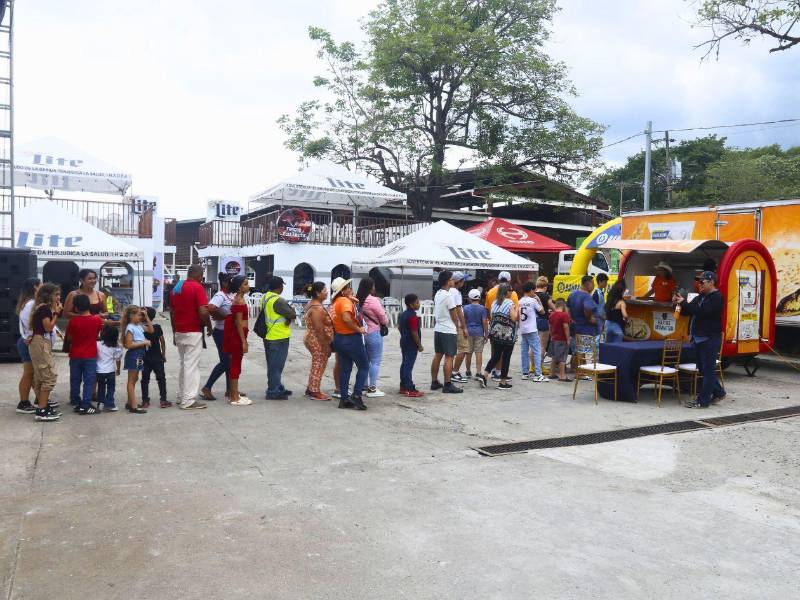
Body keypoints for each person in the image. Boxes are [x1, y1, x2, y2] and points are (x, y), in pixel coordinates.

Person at [675, 271, 726, 409]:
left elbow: (703, 312)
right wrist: (680, 303)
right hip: (698, 338)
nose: (700, 284)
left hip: (709, 338)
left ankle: (703, 401)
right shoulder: (701, 296)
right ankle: (719, 392)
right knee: (703, 369)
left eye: (702, 282)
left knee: (708, 371)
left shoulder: (716, 298)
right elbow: (688, 311)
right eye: (699, 282)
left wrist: (685, 303)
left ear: (711, 282)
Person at [169, 264, 211, 410]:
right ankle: (188, 400)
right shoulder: (197, 287)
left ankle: (181, 396)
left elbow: (172, 312)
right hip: (193, 330)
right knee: (192, 366)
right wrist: (208, 326)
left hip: (179, 330)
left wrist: (174, 332)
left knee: (184, 364)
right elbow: (203, 312)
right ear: (199, 275)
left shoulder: (177, 288)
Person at [330, 277, 368, 410]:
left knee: (345, 369)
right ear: (343, 291)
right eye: (348, 287)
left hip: (339, 338)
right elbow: (346, 318)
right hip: (351, 338)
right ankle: (357, 395)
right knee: (364, 366)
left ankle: (344, 398)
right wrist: (359, 329)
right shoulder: (345, 301)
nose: (351, 289)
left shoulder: (334, 303)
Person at [64, 294, 104, 415]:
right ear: (89, 306)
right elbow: (98, 333)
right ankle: (86, 403)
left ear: (75, 308)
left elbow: (70, 338)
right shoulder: (97, 320)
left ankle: (75, 400)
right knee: (89, 380)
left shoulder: (73, 321)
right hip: (90, 354)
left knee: (75, 378)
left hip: (75, 354)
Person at [258, 276, 296, 400]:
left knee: (273, 365)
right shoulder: (278, 301)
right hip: (279, 336)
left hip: (269, 335)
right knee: (276, 366)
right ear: (279, 287)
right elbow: (292, 314)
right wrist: (290, 315)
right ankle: (273, 391)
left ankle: (277, 386)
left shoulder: (265, 297)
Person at [28, 283, 62, 422]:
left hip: (39, 342)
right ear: (48, 296)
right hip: (41, 342)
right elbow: (48, 327)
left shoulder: (39, 308)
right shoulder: (45, 309)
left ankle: (43, 406)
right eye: (56, 294)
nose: (59, 297)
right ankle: (42, 410)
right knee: (48, 375)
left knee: (41, 376)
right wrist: (56, 313)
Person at [477, 284, 519, 390]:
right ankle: (503, 382)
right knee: (506, 358)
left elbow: (492, 316)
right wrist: (517, 309)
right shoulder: (509, 303)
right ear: (506, 292)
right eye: (511, 290)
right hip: (507, 335)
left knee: (495, 356)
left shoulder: (494, 303)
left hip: (495, 334)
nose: (512, 292)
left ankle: (485, 375)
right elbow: (514, 318)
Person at [201, 272, 234, 401]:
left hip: (229, 332)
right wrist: (225, 316)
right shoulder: (220, 295)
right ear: (225, 283)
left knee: (229, 362)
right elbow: (210, 307)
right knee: (226, 362)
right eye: (231, 281)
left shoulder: (231, 295)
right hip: (222, 332)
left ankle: (230, 389)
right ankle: (207, 387)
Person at [430, 270, 463, 394]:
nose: (453, 281)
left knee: (438, 354)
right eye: (451, 279)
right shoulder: (449, 296)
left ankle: (434, 381)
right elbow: (454, 315)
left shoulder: (438, 293)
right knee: (449, 356)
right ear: (447, 281)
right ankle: (447, 384)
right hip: (448, 329)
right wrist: (458, 325)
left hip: (438, 328)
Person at [357, 277, 390, 398]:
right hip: (374, 332)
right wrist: (385, 321)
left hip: (362, 333)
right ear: (370, 287)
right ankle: (372, 387)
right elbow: (383, 317)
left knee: (365, 361)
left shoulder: (358, 300)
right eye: (374, 286)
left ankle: (363, 385)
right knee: (375, 361)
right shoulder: (373, 300)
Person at [223, 275, 252, 406]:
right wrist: (243, 341)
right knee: (235, 365)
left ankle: (234, 394)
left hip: (238, 334)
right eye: (245, 284)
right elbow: (238, 323)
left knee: (235, 364)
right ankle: (234, 397)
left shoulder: (239, 298)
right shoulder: (239, 301)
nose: (248, 286)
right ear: (240, 287)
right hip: (237, 335)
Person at [303, 281, 334, 401]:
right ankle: (314, 391)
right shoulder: (317, 308)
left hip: (312, 337)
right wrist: (326, 345)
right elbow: (319, 329)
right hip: (316, 339)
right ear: (317, 293)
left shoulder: (313, 304)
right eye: (325, 291)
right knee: (319, 363)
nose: (327, 293)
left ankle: (311, 387)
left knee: (318, 362)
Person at [15, 277, 41, 414]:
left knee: (32, 374)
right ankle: (23, 402)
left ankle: (39, 397)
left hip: (27, 341)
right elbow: (30, 324)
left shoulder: (29, 303)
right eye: (40, 285)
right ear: (35, 287)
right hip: (28, 342)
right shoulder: (31, 304)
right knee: (29, 373)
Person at [122, 305, 154, 414]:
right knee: (132, 380)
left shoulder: (138, 325)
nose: (141, 317)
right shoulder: (130, 327)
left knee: (134, 379)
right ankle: (134, 406)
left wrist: (147, 317)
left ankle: (129, 402)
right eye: (139, 315)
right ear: (131, 316)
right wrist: (144, 342)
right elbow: (129, 344)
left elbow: (151, 329)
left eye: (141, 315)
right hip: (134, 354)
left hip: (140, 354)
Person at [141, 307, 170, 409]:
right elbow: (162, 341)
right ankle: (163, 400)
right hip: (157, 357)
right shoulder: (157, 327)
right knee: (161, 378)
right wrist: (163, 354)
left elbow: (161, 340)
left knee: (145, 380)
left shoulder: (140, 327)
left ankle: (145, 401)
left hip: (145, 358)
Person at [519, 282, 547, 382]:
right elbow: (542, 311)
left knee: (524, 351)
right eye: (534, 291)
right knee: (536, 350)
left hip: (523, 329)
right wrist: (538, 300)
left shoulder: (520, 301)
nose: (534, 292)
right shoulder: (533, 301)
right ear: (531, 290)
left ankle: (525, 373)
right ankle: (538, 374)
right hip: (532, 328)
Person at [398, 293, 424, 397]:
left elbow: (399, 327)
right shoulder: (413, 316)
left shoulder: (403, 314)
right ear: (411, 305)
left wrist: (404, 335)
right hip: (411, 344)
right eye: (417, 302)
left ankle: (403, 386)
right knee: (408, 366)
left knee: (404, 364)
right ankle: (410, 388)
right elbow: (414, 332)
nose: (419, 304)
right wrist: (419, 345)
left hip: (404, 341)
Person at [459, 288, 488, 381]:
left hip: (468, 332)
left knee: (468, 352)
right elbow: (484, 322)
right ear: (479, 298)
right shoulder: (482, 308)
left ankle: (468, 371)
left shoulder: (465, 308)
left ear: (469, 298)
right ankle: (478, 372)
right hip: (479, 332)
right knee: (479, 352)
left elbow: (463, 320)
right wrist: (486, 333)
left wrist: (464, 329)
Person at [96, 325, 124, 411]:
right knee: (111, 388)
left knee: (101, 386)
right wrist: (118, 369)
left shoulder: (97, 344)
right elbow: (118, 359)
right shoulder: (117, 346)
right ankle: (110, 404)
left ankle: (100, 403)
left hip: (99, 371)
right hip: (110, 371)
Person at [449, 272, 470, 382]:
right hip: (457, 324)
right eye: (463, 280)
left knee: (453, 350)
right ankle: (455, 372)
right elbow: (458, 310)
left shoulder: (448, 291)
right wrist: (464, 326)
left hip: (450, 324)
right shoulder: (456, 293)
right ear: (460, 282)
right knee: (464, 348)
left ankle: (452, 371)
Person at [534, 276, 556, 375]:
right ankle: (539, 366)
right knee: (542, 346)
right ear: (546, 286)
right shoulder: (545, 296)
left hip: (533, 321)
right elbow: (554, 308)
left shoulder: (532, 295)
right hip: (543, 321)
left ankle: (532, 366)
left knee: (534, 345)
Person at [567, 274, 598, 342]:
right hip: (586, 332)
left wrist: (571, 319)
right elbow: (588, 308)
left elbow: (567, 310)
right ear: (588, 284)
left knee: (576, 351)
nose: (594, 286)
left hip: (574, 330)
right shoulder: (587, 297)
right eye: (593, 283)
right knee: (585, 352)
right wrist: (590, 318)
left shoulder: (572, 294)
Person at [548, 299, 572, 382]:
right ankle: (562, 376)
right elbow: (566, 327)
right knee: (562, 358)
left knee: (554, 357)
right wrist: (568, 339)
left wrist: (551, 335)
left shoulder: (551, 315)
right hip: (562, 339)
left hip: (554, 338)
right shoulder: (564, 315)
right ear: (563, 306)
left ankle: (552, 373)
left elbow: (550, 326)